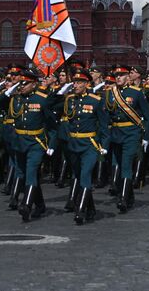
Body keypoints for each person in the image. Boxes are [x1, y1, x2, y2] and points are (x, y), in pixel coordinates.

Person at [0, 68, 58, 221]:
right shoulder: (15, 98)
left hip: (36, 142)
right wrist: (8, 93)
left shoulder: (42, 99)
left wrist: (52, 145)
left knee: (31, 171)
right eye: (20, 83)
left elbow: (52, 125)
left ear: (34, 84)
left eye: (26, 84)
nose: (22, 86)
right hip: (19, 142)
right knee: (23, 173)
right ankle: (40, 205)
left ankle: (26, 205)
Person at [50, 68, 109, 225]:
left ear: (87, 84)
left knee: (85, 175)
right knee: (77, 175)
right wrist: (59, 90)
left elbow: (104, 126)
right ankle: (91, 209)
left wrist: (104, 145)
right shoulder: (69, 99)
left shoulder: (95, 100)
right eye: (74, 82)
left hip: (89, 144)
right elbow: (49, 105)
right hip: (73, 144)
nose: (75, 85)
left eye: (79, 82)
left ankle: (80, 210)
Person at [105, 66, 149, 212]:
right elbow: (105, 114)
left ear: (128, 77)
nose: (118, 77)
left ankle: (123, 199)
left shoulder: (137, 93)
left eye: (122, 75)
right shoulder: (110, 93)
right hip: (115, 133)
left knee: (125, 164)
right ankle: (129, 196)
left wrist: (147, 136)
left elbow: (147, 117)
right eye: (116, 75)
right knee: (117, 164)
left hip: (131, 133)